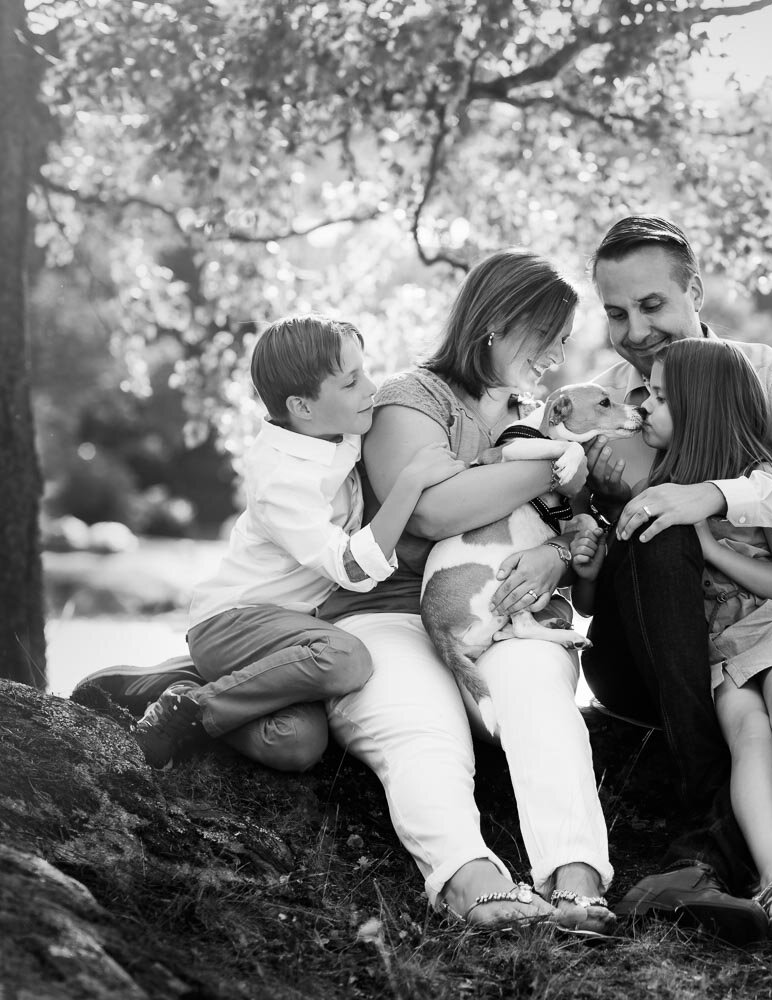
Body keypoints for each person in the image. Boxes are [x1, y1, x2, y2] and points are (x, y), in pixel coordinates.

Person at [305, 248, 615, 935]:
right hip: (386, 613)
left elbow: (574, 528)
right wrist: (563, 465)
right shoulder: (407, 399)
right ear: (499, 323)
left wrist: (560, 552)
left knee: (537, 686)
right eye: (551, 336)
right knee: (424, 725)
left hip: (501, 608)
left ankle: (576, 880)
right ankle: (469, 883)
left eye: (567, 341)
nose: (559, 356)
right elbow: (433, 512)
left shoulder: (539, 417)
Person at [579, 216, 772, 944]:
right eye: (616, 312)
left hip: (753, 634)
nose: (634, 331)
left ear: (695, 290)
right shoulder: (605, 400)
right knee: (655, 526)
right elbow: (559, 508)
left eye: (651, 305)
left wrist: (711, 496)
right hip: (648, 648)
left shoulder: (770, 375)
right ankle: (720, 835)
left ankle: (716, 863)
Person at [129, 315, 463, 771]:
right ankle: (186, 709)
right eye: (351, 382)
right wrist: (409, 484)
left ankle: (181, 686)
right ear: (302, 407)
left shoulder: (340, 430)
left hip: (290, 639)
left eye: (365, 370)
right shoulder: (282, 479)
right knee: (348, 660)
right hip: (235, 622)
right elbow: (352, 567)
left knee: (296, 744)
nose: (371, 387)